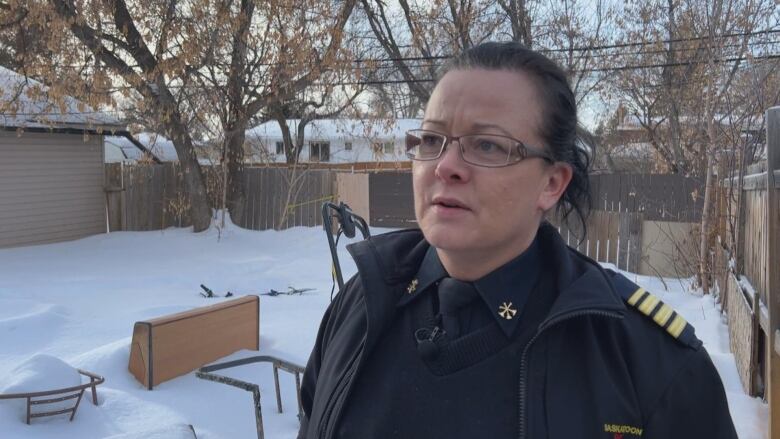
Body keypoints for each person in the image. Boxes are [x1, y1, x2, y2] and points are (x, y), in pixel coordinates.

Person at [297, 41, 737, 439]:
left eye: (488, 146)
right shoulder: (361, 307)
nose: (445, 165)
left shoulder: (647, 363)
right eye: (432, 139)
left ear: (551, 183)